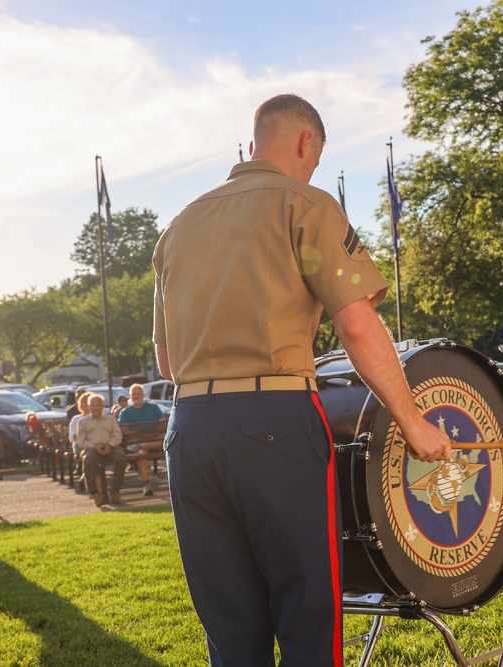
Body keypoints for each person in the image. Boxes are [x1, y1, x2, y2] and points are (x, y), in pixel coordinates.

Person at [152, 93, 451, 666]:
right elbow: (356, 325)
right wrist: (413, 422)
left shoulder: (180, 225)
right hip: (275, 424)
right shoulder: (306, 205)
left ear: (253, 143)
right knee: (308, 613)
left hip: (188, 431)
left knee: (230, 626)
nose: (311, 169)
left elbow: (166, 364)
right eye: (314, 160)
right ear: (305, 142)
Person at [77, 394, 126, 507]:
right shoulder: (82, 422)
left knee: (121, 457)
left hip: (110, 447)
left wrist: (110, 446)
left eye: (98, 405)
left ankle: (115, 490)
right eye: (92, 405)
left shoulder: (111, 419)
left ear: (103, 406)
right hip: (92, 448)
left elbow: (117, 435)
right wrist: (94, 446)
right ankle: (94, 492)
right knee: (87, 459)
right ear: (88, 406)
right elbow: (81, 441)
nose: (95, 408)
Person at [117, 383, 165, 496]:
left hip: (155, 439)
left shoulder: (153, 407)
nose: (136, 396)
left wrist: (152, 434)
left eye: (139, 394)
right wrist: (139, 436)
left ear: (143, 395)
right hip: (136, 440)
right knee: (142, 453)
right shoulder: (125, 412)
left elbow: (163, 422)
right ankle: (146, 484)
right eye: (134, 394)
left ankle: (141, 446)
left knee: (166, 440)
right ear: (130, 396)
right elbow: (124, 430)